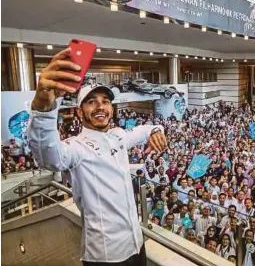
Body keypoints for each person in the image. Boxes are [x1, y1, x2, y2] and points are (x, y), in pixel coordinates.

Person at [28, 48, 167, 266]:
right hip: (105, 256)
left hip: (136, 244)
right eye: (91, 101)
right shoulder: (76, 147)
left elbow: (142, 131)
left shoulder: (118, 136)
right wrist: (43, 109)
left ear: (111, 109)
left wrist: (155, 130)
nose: (100, 106)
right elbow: (49, 157)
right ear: (80, 112)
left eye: (105, 101)